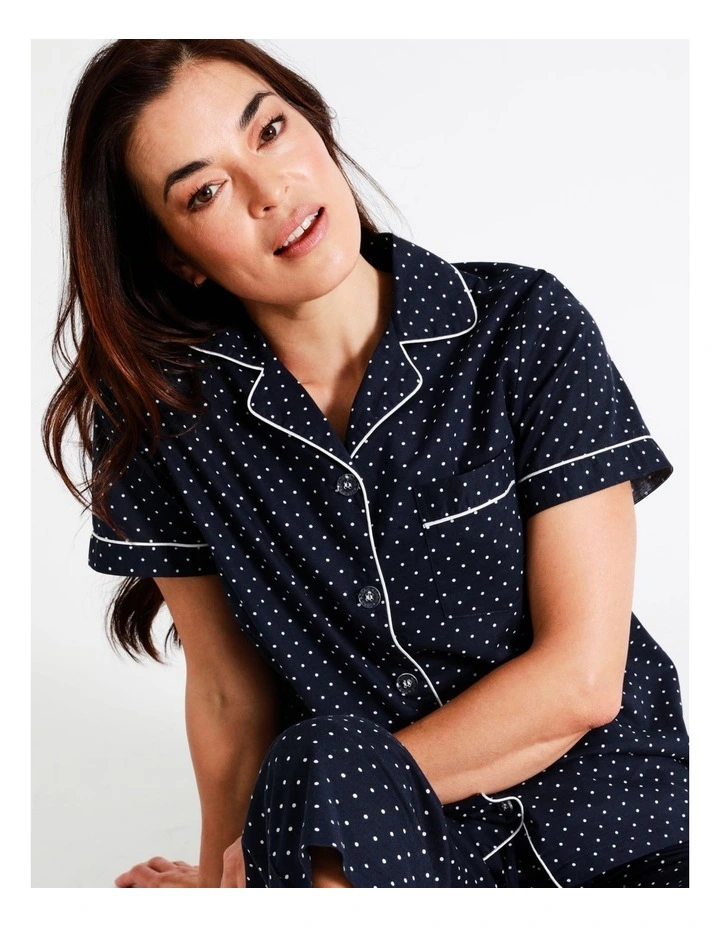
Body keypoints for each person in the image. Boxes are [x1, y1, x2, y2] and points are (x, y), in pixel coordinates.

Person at [43, 39, 689, 889]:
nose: (271, 192)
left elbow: (583, 680)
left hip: (617, 825)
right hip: (374, 862)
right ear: (175, 254)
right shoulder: (160, 424)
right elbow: (231, 699)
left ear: (313, 122)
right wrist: (229, 884)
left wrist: (305, 824)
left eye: (270, 131)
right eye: (205, 191)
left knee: (324, 767)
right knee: (320, 757)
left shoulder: (525, 325)